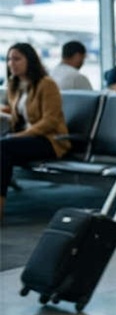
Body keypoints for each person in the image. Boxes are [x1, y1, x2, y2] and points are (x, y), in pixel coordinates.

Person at [2, 43, 69, 219]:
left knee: (4, 147)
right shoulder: (14, 84)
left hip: (50, 140)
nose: (11, 63)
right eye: (9, 59)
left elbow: (50, 121)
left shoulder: (47, 84)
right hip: (25, 139)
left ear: (30, 61)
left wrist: (19, 136)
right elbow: (18, 114)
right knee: (4, 151)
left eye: (17, 59)